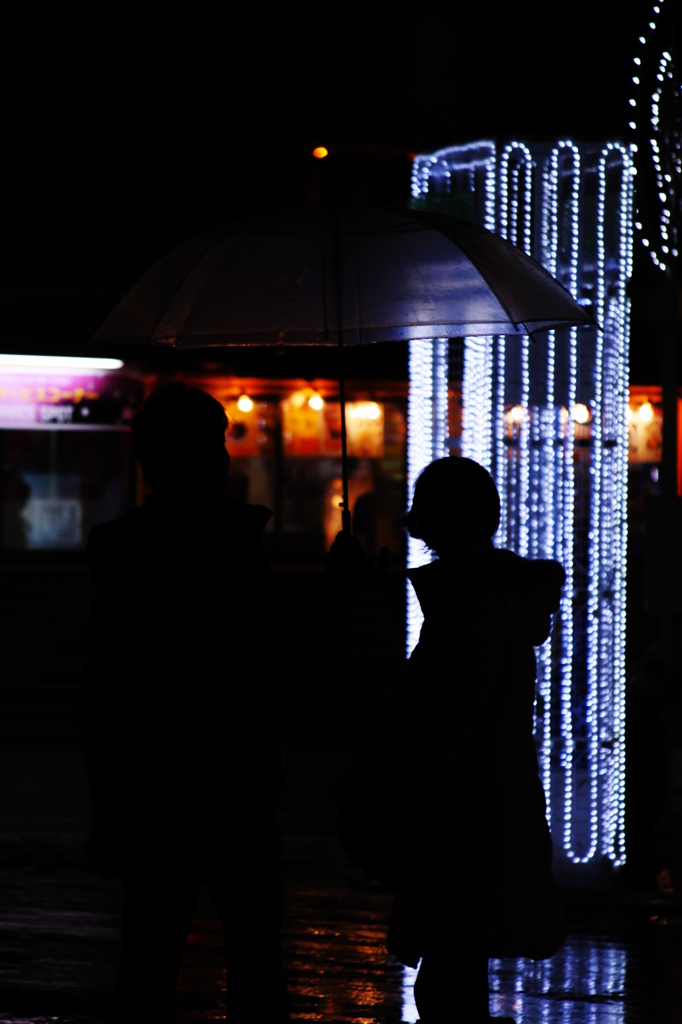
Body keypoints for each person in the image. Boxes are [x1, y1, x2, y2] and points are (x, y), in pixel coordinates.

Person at [79, 383, 290, 1023]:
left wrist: (106, 800)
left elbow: (104, 685)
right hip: (229, 770)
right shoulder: (233, 543)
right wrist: (338, 591)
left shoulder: (118, 548)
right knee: (253, 950)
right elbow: (268, 647)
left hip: (149, 776)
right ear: (206, 456)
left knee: (148, 952)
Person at [336, 456, 566, 1024]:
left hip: (456, 814)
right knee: (458, 968)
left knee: (445, 976)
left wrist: (383, 805)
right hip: (485, 806)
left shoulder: (466, 601)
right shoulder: (499, 593)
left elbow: (442, 722)